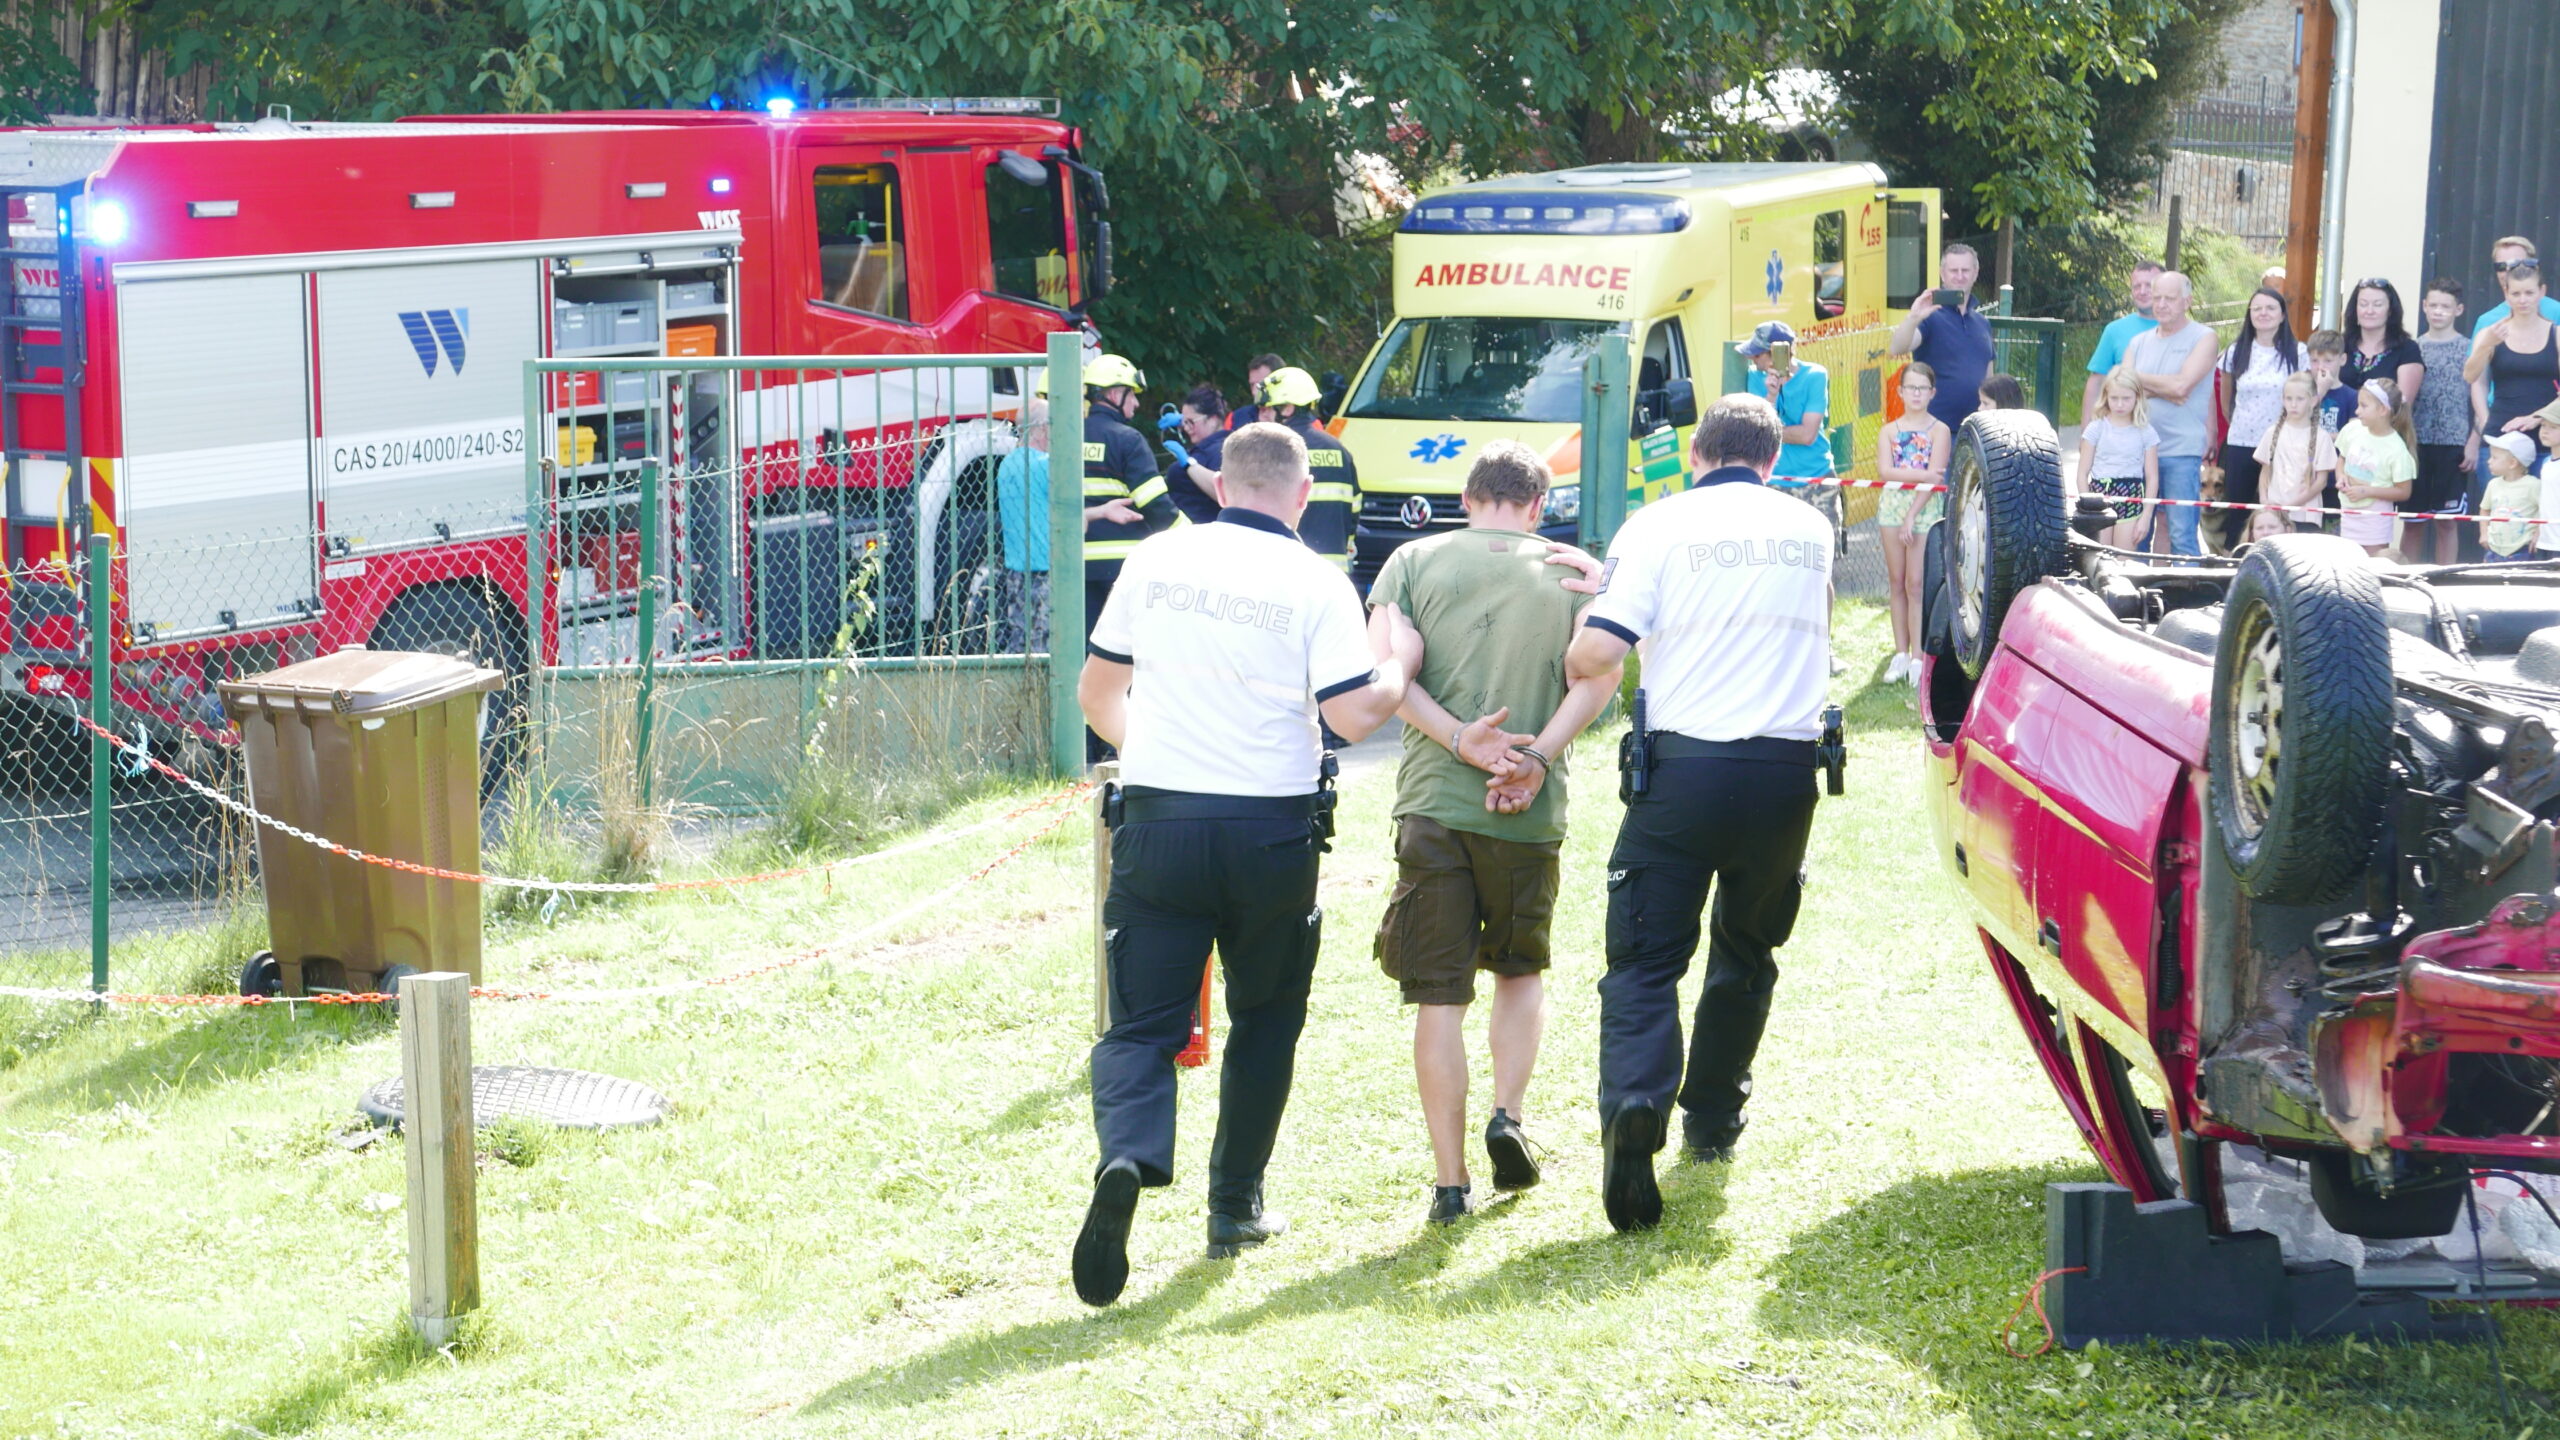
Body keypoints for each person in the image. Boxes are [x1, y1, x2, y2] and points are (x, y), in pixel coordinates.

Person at [1071, 421, 1417, 1308]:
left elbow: (1097, 694)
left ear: (1220, 487)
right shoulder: (1317, 579)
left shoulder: (1155, 558)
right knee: (1265, 1018)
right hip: (1271, 831)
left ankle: (1127, 1157)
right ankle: (1234, 1207)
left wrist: (1154, 755)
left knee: (1139, 1027)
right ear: (1303, 496)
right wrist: (1395, 668)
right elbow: (1350, 717)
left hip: (1158, 823)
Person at [1563, 392, 1834, 1233]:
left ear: (1695, 454)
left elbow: (1596, 652)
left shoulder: (1657, 524)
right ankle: (1713, 1119)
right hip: (1784, 774)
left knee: (1644, 959)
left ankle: (1635, 1102)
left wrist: (1595, 604)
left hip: (1682, 772)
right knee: (1747, 950)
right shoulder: (1811, 528)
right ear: (1770, 460)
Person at [1366, 441, 1621, 1226]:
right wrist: (1534, 759)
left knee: (1438, 997)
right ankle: (1508, 1116)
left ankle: (1450, 1183)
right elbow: (1598, 676)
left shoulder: (1410, 562)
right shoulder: (1573, 573)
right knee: (1519, 970)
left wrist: (1459, 740)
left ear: (1467, 497)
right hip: (1528, 811)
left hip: (1434, 803)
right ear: (1538, 505)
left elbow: (1387, 679)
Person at [2121, 271, 2218, 556]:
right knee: (2136, 536)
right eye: (2157, 297)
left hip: (2181, 452)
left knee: (2182, 536)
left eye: (2170, 298)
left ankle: (2186, 585)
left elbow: (2182, 386)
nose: (2161, 304)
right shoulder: (2138, 342)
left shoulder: (2204, 337)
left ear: (2187, 301)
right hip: (2137, 452)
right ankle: (2134, 585)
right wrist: (2168, 388)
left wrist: (2140, 381)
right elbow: (2123, 389)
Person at [1875, 363, 1949, 682]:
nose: (1916, 394)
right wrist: (1922, 475)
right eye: (1911, 388)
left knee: (1915, 583)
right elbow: (1886, 472)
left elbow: (1936, 478)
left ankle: (1918, 655)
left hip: (1923, 509)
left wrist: (1912, 515)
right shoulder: (1889, 431)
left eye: (1922, 388)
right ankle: (1900, 653)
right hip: (1892, 507)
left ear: (1932, 393)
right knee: (1897, 580)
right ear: (1901, 391)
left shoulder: (1939, 430)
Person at [2212, 287, 2300, 552]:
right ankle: (2235, 562)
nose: (2263, 313)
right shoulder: (2235, 351)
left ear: (2282, 315)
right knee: (2238, 514)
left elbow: (2304, 395)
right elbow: (2226, 399)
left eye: (2271, 308)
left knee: (2276, 513)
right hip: (2241, 442)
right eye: (2257, 308)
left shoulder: (2298, 352)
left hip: (2282, 444)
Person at [1256, 366, 1358, 572]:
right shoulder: (1340, 450)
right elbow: (1354, 510)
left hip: (1289, 570)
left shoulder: (1276, 450)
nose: (1261, 416)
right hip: (1335, 572)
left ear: (1287, 409)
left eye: (1266, 409)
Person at [1890, 243, 1995, 428]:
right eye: (1954, 270)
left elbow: (1989, 379)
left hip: (1975, 430)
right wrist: (1913, 317)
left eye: (1965, 270)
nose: (1960, 276)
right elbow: (1897, 348)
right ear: (1942, 273)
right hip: (1934, 430)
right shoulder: (1930, 316)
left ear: (1975, 273)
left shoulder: (1982, 323)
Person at [2466, 262, 2560, 470]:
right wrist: (2485, 419)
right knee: (2498, 493)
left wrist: (2537, 417)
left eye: (2529, 293)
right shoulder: (2490, 333)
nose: (2523, 300)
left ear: (2541, 292)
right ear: (2506, 294)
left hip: (2547, 437)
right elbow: (2471, 377)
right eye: (2516, 294)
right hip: (2500, 436)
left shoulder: (2556, 335)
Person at [2408, 279, 2476, 565]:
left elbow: (2481, 398)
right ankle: (2404, 577)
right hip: (2415, 445)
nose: (2438, 311)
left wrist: (2473, 441)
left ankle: (2445, 579)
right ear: (2424, 306)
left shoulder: (2469, 348)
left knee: (2447, 522)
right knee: (2413, 521)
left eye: (2445, 306)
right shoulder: (2412, 348)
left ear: (2458, 310)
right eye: (2433, 305)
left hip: (2454, 445)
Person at [1740, 322, 1834, 491]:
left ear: (1776, 354)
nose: (1752, 358)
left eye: (1757, 354)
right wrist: (1771, 396)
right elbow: (1757, 430)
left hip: (1816, 478)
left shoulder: (1815, 375)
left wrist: (1767, 432)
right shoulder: (1754, 376)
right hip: (1773, 480)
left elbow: (1807, 436)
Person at [2078, 366, 2161, 551]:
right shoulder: (2096, 428)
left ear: (2137, 397)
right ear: (2106, 397)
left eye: (2126, 398)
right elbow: (2082, 473)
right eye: (2114, 398)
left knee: (2124, 558)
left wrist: (2146, 517)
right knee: (2100, 555)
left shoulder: (2146, 432)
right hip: (2099, 496)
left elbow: (2152, 477)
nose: (2120, 404)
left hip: (2131, 495)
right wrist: (2086, 506)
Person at [992, 399, 1052, 652]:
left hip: (1017, 569)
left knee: (1020, 640)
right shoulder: (1047, 465)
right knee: (1045, 645)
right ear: (1044, 427)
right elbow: (1074, 519)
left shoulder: (1007, 464)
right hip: (1046, 569)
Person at [2337, 378, 2417, 558]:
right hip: (2349, 513)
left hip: (2375, 519)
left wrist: (2368, 491)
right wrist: (2341, 475)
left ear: (2382, 410)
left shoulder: (2397, 450)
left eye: (2364, 406)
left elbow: (2403, 491)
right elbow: (2342, 459)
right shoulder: (2352, 430)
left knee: (2374, 565)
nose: (2357, 411)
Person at [2080, 257, 2163, 424]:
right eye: (2136, 286)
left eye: (2149, 285)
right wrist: (2087, 428)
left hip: (2170, 430)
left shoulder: (2181, 331)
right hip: (2123, 428)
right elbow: (2097, 380)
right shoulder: (2114, 330)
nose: (2142, 291)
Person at [2255, 370, 2337, 531]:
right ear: (2282, 399)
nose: (2293, 404)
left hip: (2306, 516)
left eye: (2300, 399)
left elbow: (2321, 482)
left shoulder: (2322, 437)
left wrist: (2291, 505)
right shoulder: (2272, 433)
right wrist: (2264, 500)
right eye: (2289, 398)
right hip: (2275, 515)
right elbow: (2265, 472)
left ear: (2313, 401)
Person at [2339, 279, 2425, 407]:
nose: (2369, 311)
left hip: (2386, 419)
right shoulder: (2340, 345)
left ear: (2390, 311)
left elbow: (2402, 406)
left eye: (2377, 305)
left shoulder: (2407, 349)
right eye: (2363, 304)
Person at [1162, 384, 1230, 525]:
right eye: (1184, 422)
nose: (1186, 428)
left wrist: (1189, 464)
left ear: (1213, 420)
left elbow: (1226, 493)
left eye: (1191, 422)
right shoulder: (1208, 446)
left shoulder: (1220, 449)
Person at [2472, 237, 2560, 336]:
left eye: (2515, 264)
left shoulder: (2557, 312)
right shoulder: (2486, 321)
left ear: (2533, 266)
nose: (2508, 270)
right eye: (2501, 266)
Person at [2479, 431, 2540, 562]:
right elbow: (2484, 509)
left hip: (2522, 549)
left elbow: (2546, 511)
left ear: (2512, 463)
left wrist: (2538, 534)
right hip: (2493, 548)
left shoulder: (2533, 485)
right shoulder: (2493, 484)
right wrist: (2484, 534)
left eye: (2494, 458)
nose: (2489, 461)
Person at [1230, 352, 1286, 429]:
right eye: (1252, 385)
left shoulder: (1298, 418)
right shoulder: (1237, 417)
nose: (1254, 392)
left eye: (1262, 384)